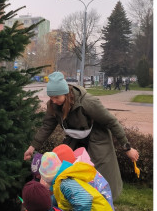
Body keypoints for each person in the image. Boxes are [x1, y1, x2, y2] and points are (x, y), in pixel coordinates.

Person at [23, 71, 139, 201]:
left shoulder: (87, 102)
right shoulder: (54, 105)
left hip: (97, 140)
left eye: (56, 97)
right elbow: (47, 126)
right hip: (74, 139)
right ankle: (75, 200)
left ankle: (104, 201)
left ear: (65, 93)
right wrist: (32, 147)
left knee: (99, 173)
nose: (54, 101)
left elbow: (112, 121)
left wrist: (127, 148)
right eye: (51, 97)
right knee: (67, 168)